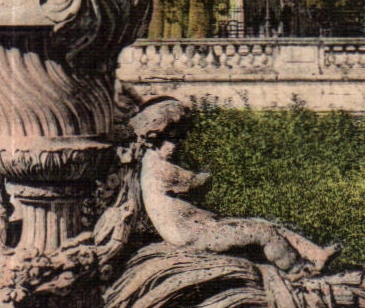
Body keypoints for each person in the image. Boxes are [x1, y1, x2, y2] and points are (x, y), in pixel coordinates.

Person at [129, 98, 335, 273]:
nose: (178, 144)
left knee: (264, 224)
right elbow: (195, 183)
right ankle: (298, 272)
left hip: (201, 228)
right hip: (193, 235)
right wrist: (209, 172)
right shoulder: (162, 169)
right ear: (158, 136)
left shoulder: (154, 160)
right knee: (265, 232)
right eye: (174, 137)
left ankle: (317, 255)